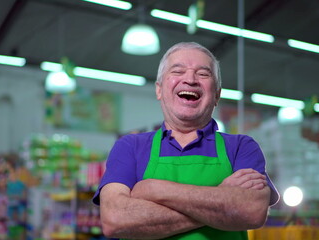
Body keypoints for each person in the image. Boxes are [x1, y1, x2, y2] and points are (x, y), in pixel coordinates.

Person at [92, 42, 279, 239]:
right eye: (178, 71)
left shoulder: (242, 147)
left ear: (216, 95)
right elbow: (115, 219)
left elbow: (252, 211)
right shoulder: (130, 146)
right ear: (159, 89)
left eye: (203, 74)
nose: (190, 79)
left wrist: (155, 189)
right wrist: (223, 200)